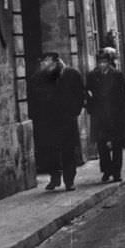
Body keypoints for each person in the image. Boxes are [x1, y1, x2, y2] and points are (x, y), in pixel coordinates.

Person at [29, 52, 85, 191]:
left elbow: (80, 94)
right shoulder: (38, 78)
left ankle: (69, 180)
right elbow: (33, 99)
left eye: (47, 61)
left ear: (56, 62)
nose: (44, 64)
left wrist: (74, 112)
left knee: (68, 151)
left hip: (67, 119)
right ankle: (54, 178)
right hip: (48, 121)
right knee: (49, 150)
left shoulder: (72, 74)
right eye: (43, 61)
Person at [86, 47, 125, 183]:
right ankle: (106, 170)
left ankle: (116, 172)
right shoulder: (92, 76)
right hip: (100, 115)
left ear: (109, 62)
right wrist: (91, 109)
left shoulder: (117, 75)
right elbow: (88, 94)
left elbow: (123, 96)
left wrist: (124, 116)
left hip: (115, 114)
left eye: (104, 62)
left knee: (117, 145)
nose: (102, 65)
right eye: (100, 62)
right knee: (102, 144)